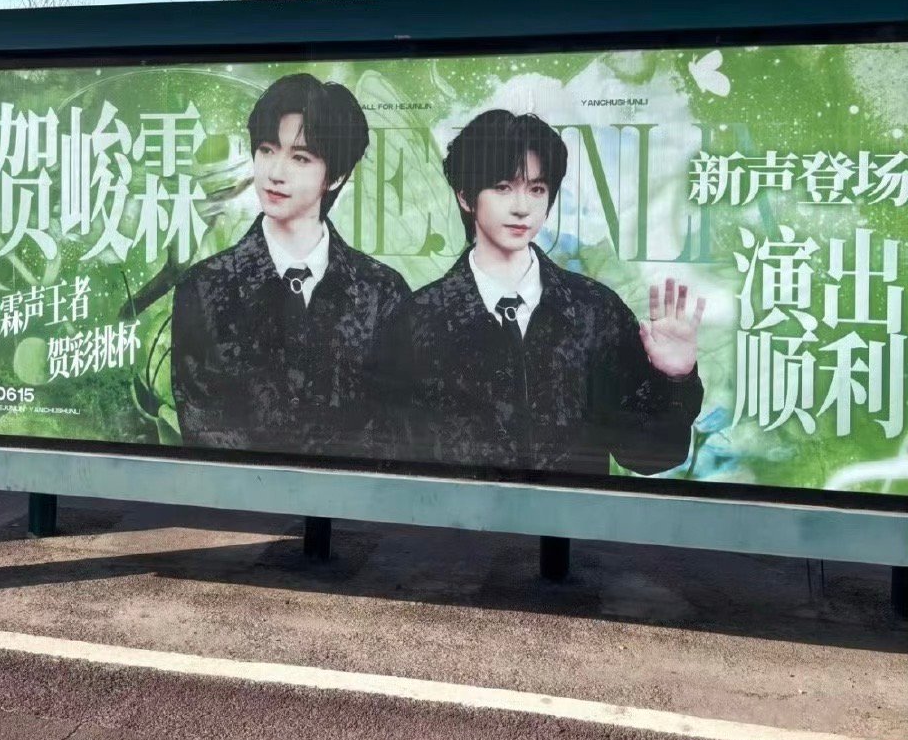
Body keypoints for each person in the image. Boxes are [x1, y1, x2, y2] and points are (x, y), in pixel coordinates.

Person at [387, 109, 704, 476]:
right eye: (503, 187)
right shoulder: (418, 319)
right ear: (465, 197)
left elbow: (649, 456)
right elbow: (396, 459)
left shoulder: (594, 311)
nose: (522, 207)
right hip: (461, 514)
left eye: (536, 189)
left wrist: (674, 380)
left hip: (570, 513)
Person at [171, 73, 408, 459]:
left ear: (336, 175)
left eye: (300, 157)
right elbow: (205, 428)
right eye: (266, 150)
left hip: (355, 495)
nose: (275, 172)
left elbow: (394, 428)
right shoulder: (204, 288)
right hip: (242, 495)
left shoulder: (382, 292)